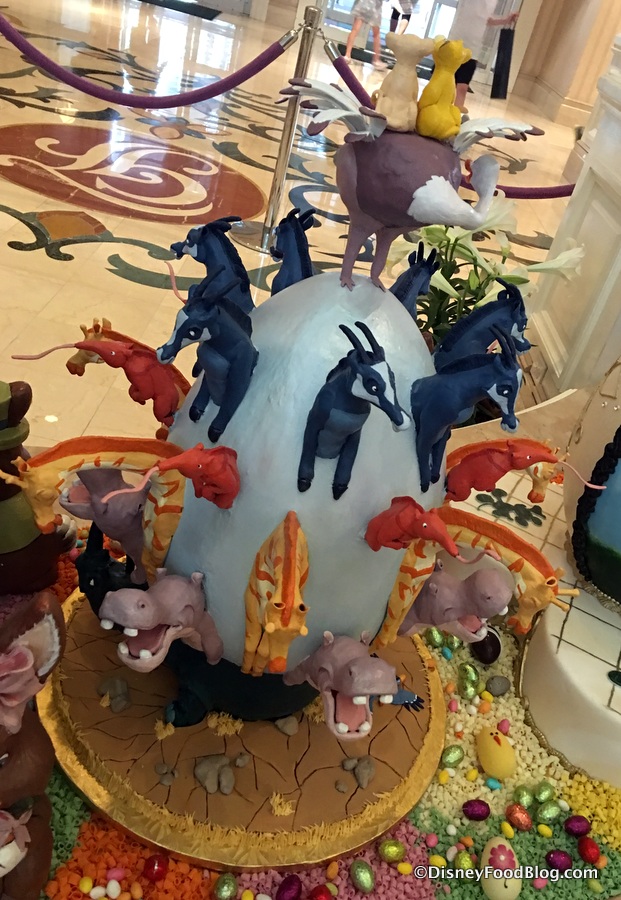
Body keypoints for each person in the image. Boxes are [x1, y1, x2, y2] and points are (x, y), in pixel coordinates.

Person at [448, 0, 519, 111]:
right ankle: (440, 109)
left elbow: (488, 20)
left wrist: (506, 20)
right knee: (447, 83)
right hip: (455, 43)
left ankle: (456, 113)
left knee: (463, 87)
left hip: (473, 50)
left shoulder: (492, 2)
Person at [343, 0, 388, 70]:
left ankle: (347, 55)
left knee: (355, 30)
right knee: (376, 34)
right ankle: (376, 60)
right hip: (375, 8)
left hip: (362, 4)